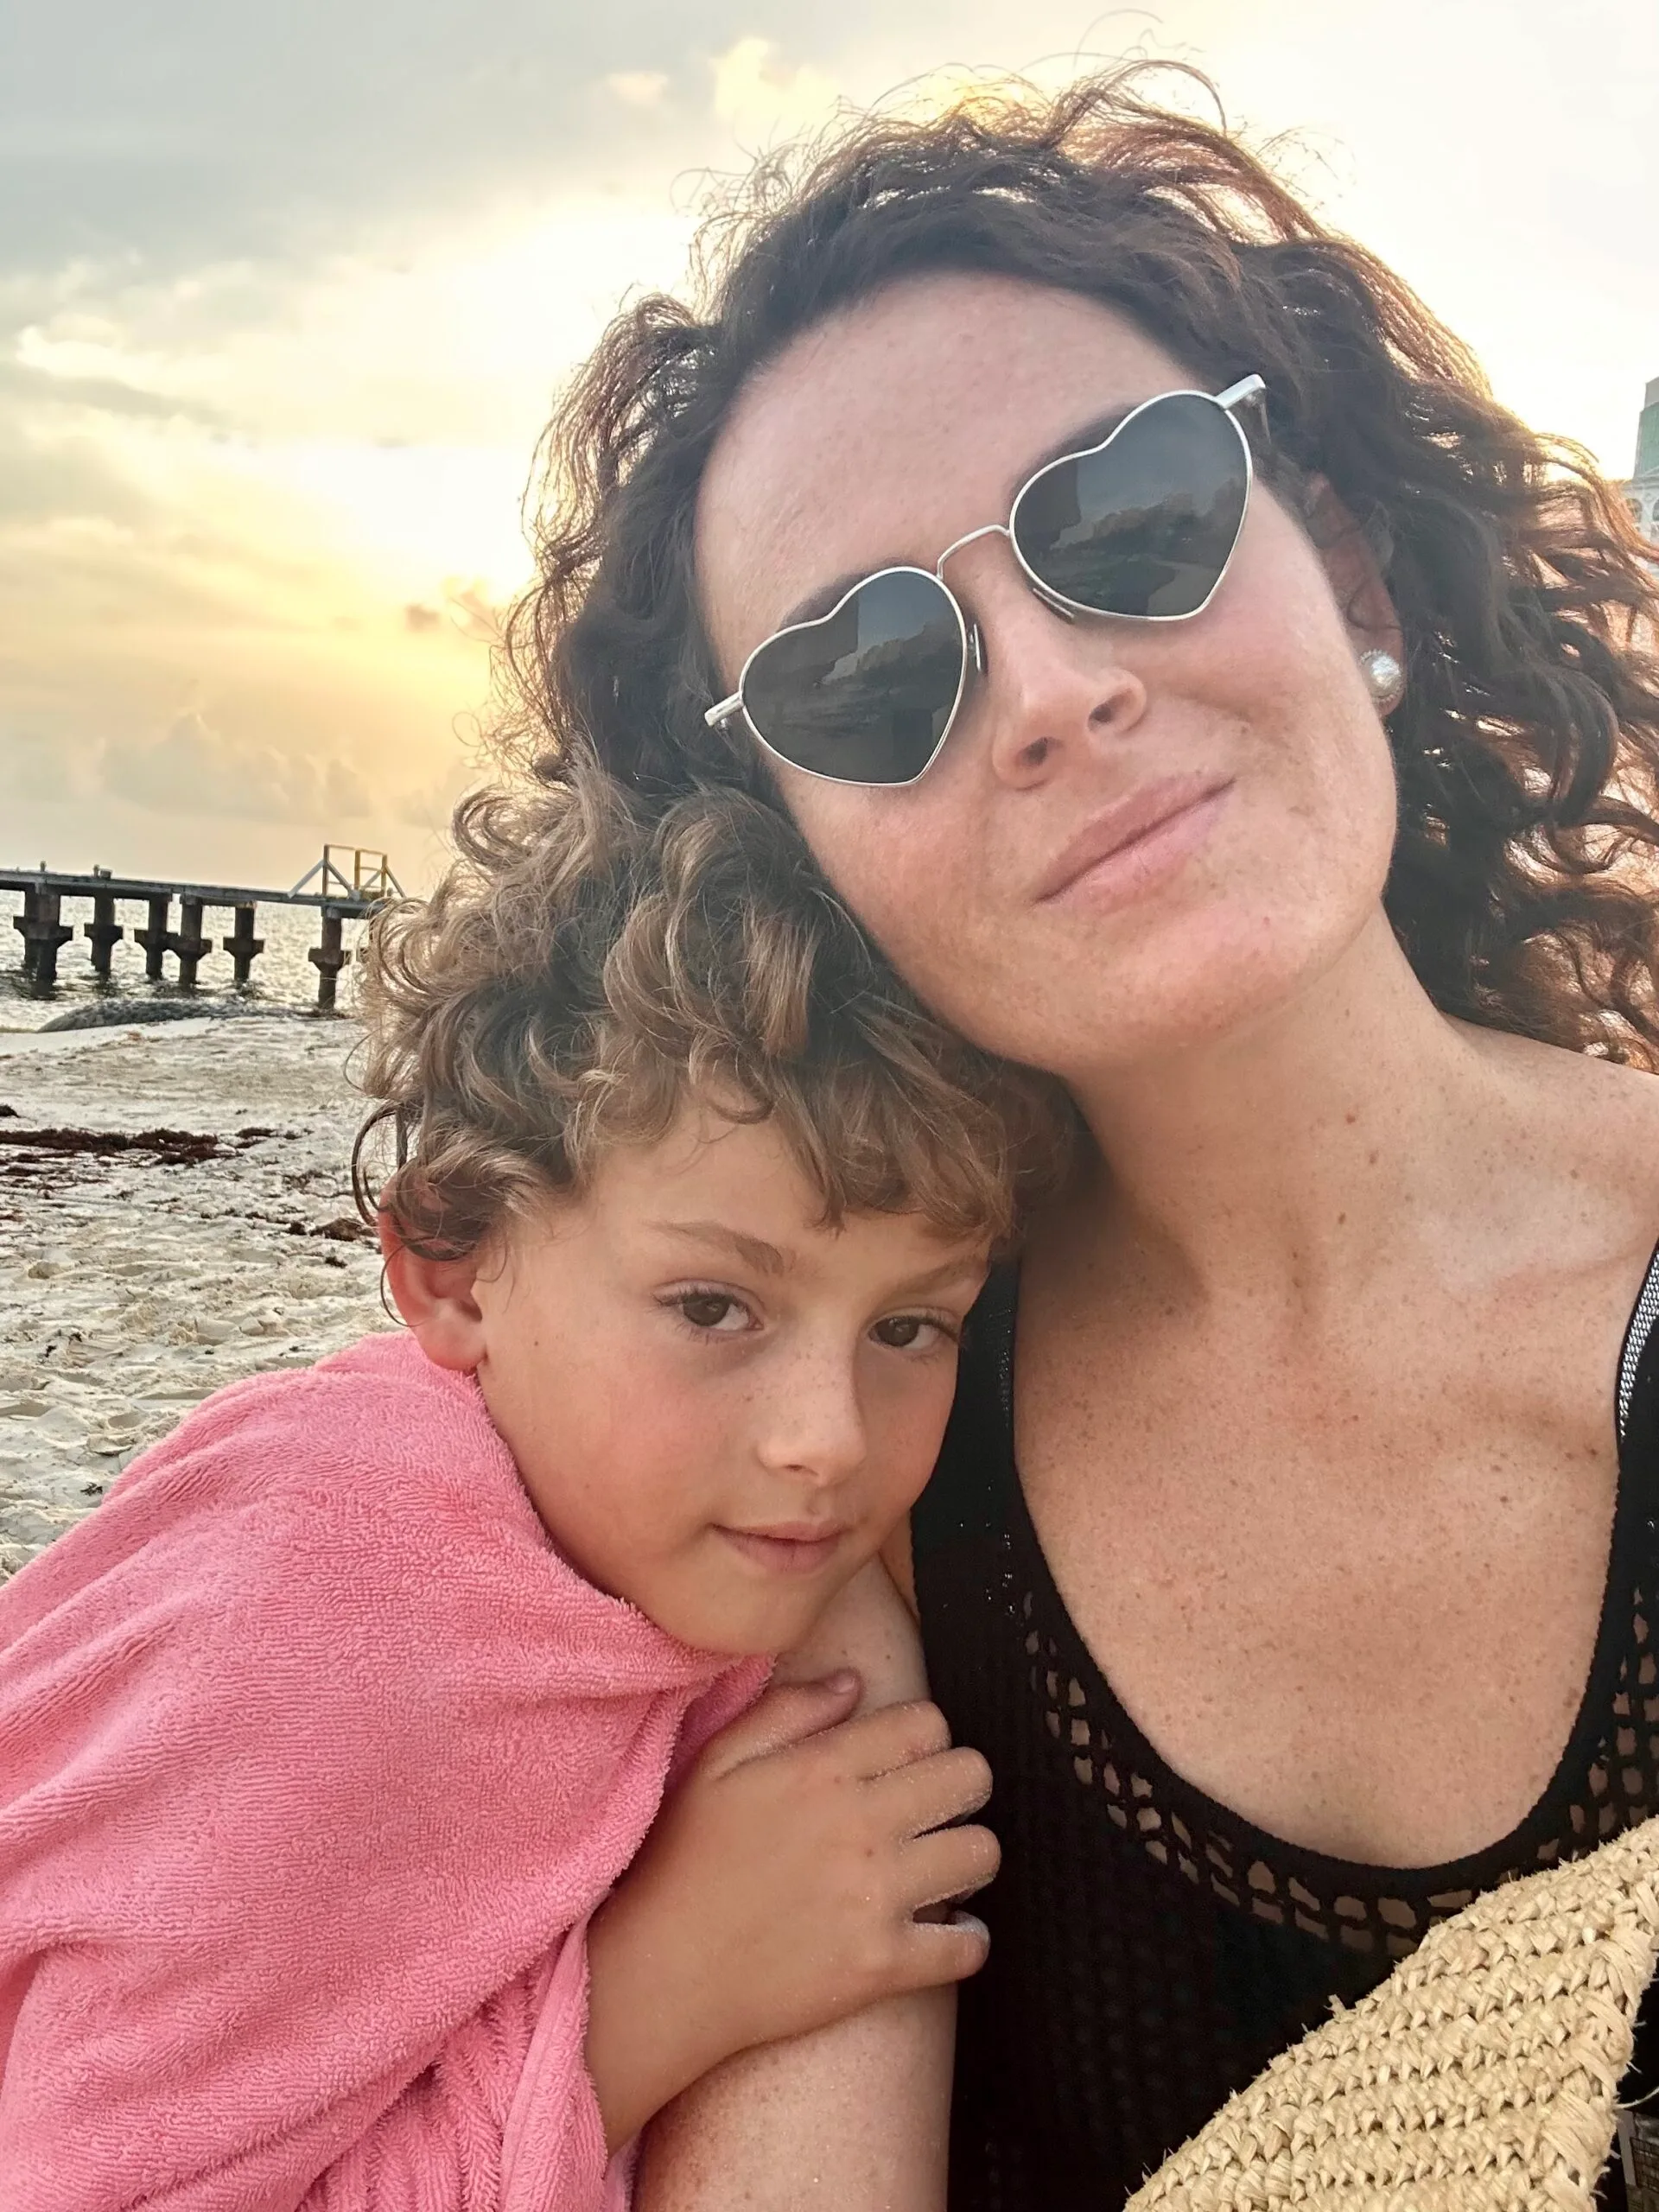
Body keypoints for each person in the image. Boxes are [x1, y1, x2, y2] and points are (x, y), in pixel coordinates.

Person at [498, 66, 1659, 2210]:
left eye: (1131, 519)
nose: (1045, 687)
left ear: (1358, 579)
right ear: (796, 861)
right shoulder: (846, 1478)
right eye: (869, 674)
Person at [0, 779, 1064, 2207]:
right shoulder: (333, 1647)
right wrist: (659, 1998)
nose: (827, 1440)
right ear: (451, 1263)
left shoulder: (593, 1547)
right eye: (712, 1306)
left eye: (908, 1327)